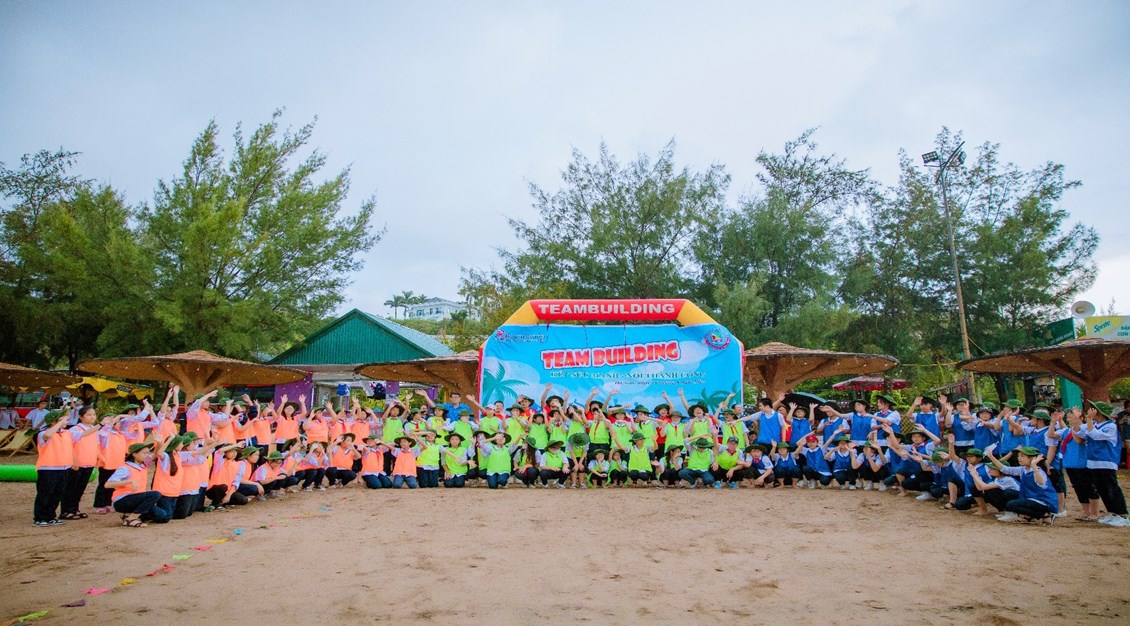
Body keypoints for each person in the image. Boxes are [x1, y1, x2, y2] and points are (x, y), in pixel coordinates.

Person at [1075, 401, 1129, 527]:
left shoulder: (1110, 426)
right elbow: (1079, 432)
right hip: (1093, 462)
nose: (1090, 411)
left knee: (1111, 488)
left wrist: (1089, 420)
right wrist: (1077, 420)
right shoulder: (1092, 424)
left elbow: (1096, 435)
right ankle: (1112, 512)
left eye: (1093, 409)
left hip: (1107, 462)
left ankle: (1122, 514)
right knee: (1102, 489)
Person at [987, 445, 1058, 524]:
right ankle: (1027, 516)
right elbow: (1005, 469)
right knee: (1009, 495)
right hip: (1031, 497)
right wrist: (991, 457)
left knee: (1011, 505)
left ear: (1032, 458)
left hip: (1043, 501)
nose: (1019, 458)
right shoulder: (1023, 469)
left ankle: (1045, 515)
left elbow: (1041, 483)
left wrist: (1034, 466)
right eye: (1018, 456)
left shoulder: (1038, 470)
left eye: (1022, 456)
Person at [103, 442, 164, 528]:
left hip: (137, 499)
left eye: (148, 452)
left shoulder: (143, 464)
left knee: (164, 516)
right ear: (135, 454)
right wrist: (130, 481)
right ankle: (131, 519)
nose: (148, 455)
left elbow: (155, 454)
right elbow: (108, 484)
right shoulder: (125, 468)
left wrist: (159, 443)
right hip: (122, 500)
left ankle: (129, 515)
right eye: (144, 453)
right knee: (155, 494)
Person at [60, 405, 101, 520]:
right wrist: (74, 460)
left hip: (89, 463)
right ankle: (66, 510)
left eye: (94, 414)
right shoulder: (75, 429)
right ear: (81, 417)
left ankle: (75, 509)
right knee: (71, 488)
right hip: (77, 463)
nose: (92, 417)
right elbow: (69, 446)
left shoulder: (94, 429)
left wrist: (97, 459)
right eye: (89, 415)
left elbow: (96, 445)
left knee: (80, 488)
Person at [33, 411, 73, 527]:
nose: (66, 422)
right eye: (63, 419)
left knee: (58, 493)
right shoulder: (43, 433)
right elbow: (47, 436)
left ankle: (51, 516)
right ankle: (40, 517)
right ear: (55, 421)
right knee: (45, 493)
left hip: (64, 468)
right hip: (48, 468)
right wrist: (58, 424)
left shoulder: (66, 433)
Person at [205, 444, 248, 509]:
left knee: (243, 500)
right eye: (231, 451)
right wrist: (236, 445)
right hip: (213, 490)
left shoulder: (239, 465)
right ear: (225, 453)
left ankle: (223, 502)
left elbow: (236, 482)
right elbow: (220, 451)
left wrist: (228, 495)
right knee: (223, 487)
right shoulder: (220, 462)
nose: (234, 453)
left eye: (235, 451)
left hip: (227, 491)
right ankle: (216, 504)